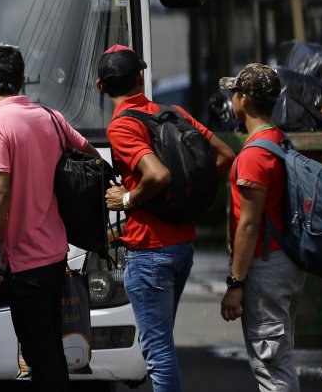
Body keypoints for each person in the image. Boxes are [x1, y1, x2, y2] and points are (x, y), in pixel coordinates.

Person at [95, 45, 234, 392]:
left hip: (149, 249)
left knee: (156, 352)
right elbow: (224, 155)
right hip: (182, 244)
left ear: (100, 86)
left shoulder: (122, 126)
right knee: (161, 344)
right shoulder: (172, 113)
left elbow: (157, 175)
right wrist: (185, 199)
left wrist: (128, 199)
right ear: (141, 77)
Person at [0, 43, 99, 391]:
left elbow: (0, 193)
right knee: (49, 352)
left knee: (40, 356)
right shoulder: (51, 117)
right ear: (23, 79)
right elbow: (89, 155)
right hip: (55, 256)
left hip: (25, 263)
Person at [218, 63, 303, 392]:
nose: (231, 100)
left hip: (265, 267)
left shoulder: (254, 155)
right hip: (285, 262)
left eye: (234, 93)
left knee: (272, 368)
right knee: (280, 360)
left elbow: (249, 225)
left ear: (245, 100)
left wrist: (235, 283)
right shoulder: (279, 141)